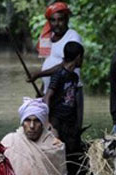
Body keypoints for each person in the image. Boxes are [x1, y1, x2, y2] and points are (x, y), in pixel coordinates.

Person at [30, 2, 84, 130]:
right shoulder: (48, 38)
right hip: (50, 92)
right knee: (49, 128)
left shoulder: (72, 36)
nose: (57, 24)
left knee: (70, 130)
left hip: (68, 94)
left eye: (60, 20)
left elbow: (66, 65)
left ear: (67, 19)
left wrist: (39, 74)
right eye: (53, 20)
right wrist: (42, 90)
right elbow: (46, 64)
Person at [42, 41, 85, 175]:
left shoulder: (73, 77)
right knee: (58, 156)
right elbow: (47, 97)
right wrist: (48, 123)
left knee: (72, 156)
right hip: (57, 122)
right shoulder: (58, 75)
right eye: (82, 58)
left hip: (70, 123)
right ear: (78, 57)